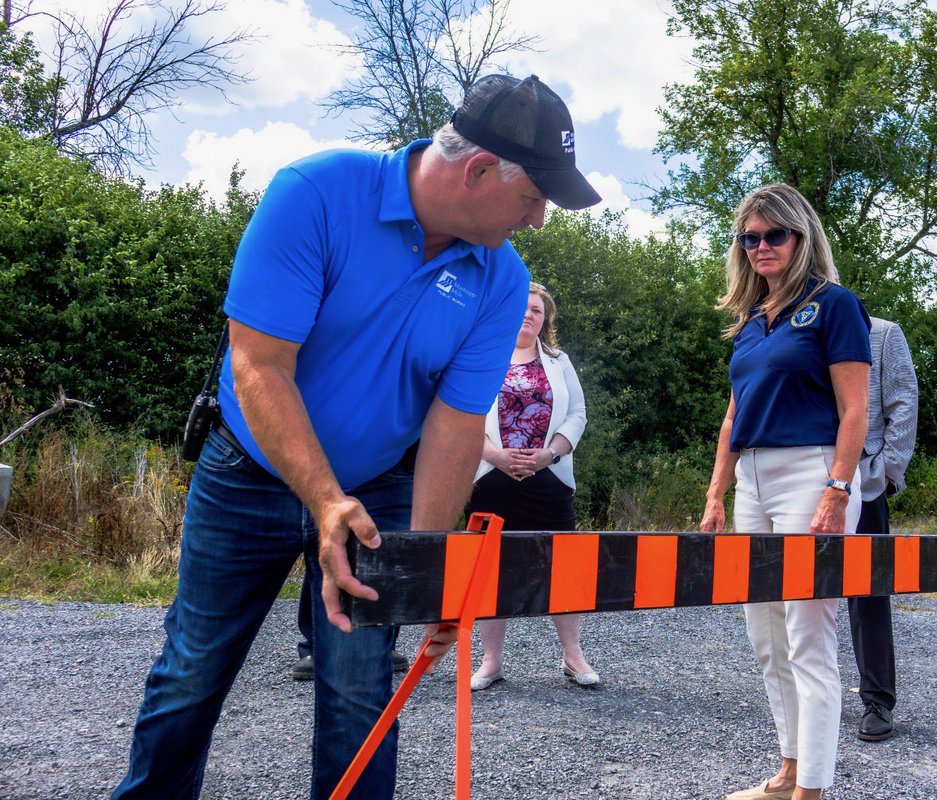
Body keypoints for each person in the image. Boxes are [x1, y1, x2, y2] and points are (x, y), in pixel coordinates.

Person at [110, 74, 600, 800]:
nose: (537, 221)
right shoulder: (314, 194)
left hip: (378, 487)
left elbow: (455, 422)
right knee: (192, 672)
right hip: (247, 475)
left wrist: (425, 567)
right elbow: (259, 365)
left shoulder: (502, 279)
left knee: (359, 692)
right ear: (476, 171)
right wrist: (323, 498)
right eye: (532, 198)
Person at [699, 184, 871, 800]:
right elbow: (732, 417)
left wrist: (837, 488)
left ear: (802, 236)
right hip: (753, 479)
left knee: (807, 636)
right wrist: (716, 494)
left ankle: (812, 790)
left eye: (775, 234)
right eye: (750, 237)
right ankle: (789, 771)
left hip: (812, 470)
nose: (761, 246)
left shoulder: (833, 305)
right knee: (767, 637)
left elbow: (856, 410)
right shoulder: (750, 321)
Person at [466, 282, 596, 691]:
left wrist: (549, 455)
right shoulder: (482, 353)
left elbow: (578, 413)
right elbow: (462, 414)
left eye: (536, 311)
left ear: (545, 320)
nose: (528, 315)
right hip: (490, 477)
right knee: (489, 570)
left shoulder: (559, 361)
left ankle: (573, 656)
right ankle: (491, 661)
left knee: (564, 566)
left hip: (549, 477)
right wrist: (495, 456)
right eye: (521, 308)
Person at [847, 315, 917, 741]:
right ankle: (805, 699)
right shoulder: (791, 329)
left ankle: (877, 700)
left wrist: (888, 471)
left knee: (868, 592)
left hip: (863, 478)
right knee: (797, 593)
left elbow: (904, 400)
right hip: (805, 479)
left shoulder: (881, 332)